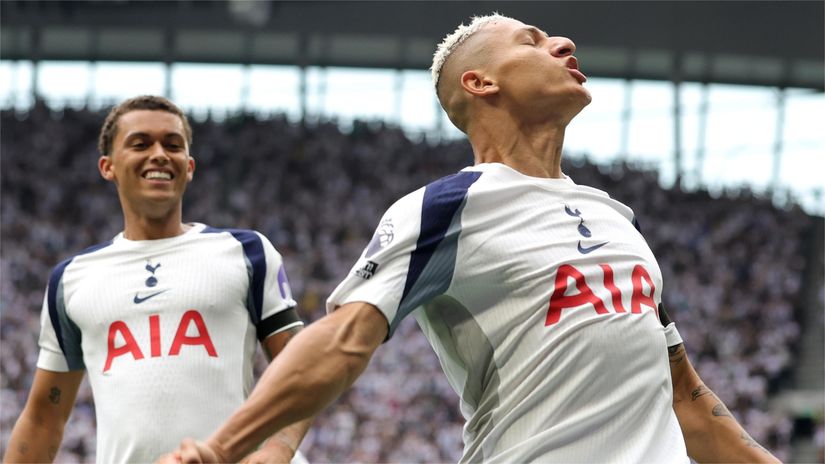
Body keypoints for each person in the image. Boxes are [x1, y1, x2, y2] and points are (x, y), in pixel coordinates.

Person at [164, 14, 780, 463]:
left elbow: (690, 400)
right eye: (532, 42)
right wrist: (224, 449)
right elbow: (340, 341)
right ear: (481, 84)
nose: (564, 42)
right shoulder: (445, 207)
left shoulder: (619, 220)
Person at [4, 95, 311, 464]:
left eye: (173, 145)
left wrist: (278, 450)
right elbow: (43, 419)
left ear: (190, 165)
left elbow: (301, 368)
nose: (160, 154)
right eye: (140, 143)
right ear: (108, 166)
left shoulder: (248, 251)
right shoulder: (71, 279)